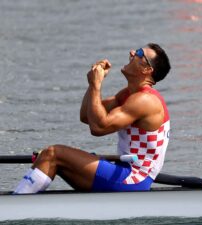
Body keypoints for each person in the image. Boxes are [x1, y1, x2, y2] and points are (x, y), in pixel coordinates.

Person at [14, 43, 171, 193]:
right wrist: (92, 85)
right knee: (53, 159)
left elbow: (98, 128)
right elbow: (86, 116)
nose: (131, 52)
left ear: (147, 69)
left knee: (53, 154)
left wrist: (97, 85)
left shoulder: (145, 101)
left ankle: (16, 208)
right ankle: (24, 201)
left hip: (134, 177)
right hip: (124, 170)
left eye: (138, 53)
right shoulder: (128, 94)